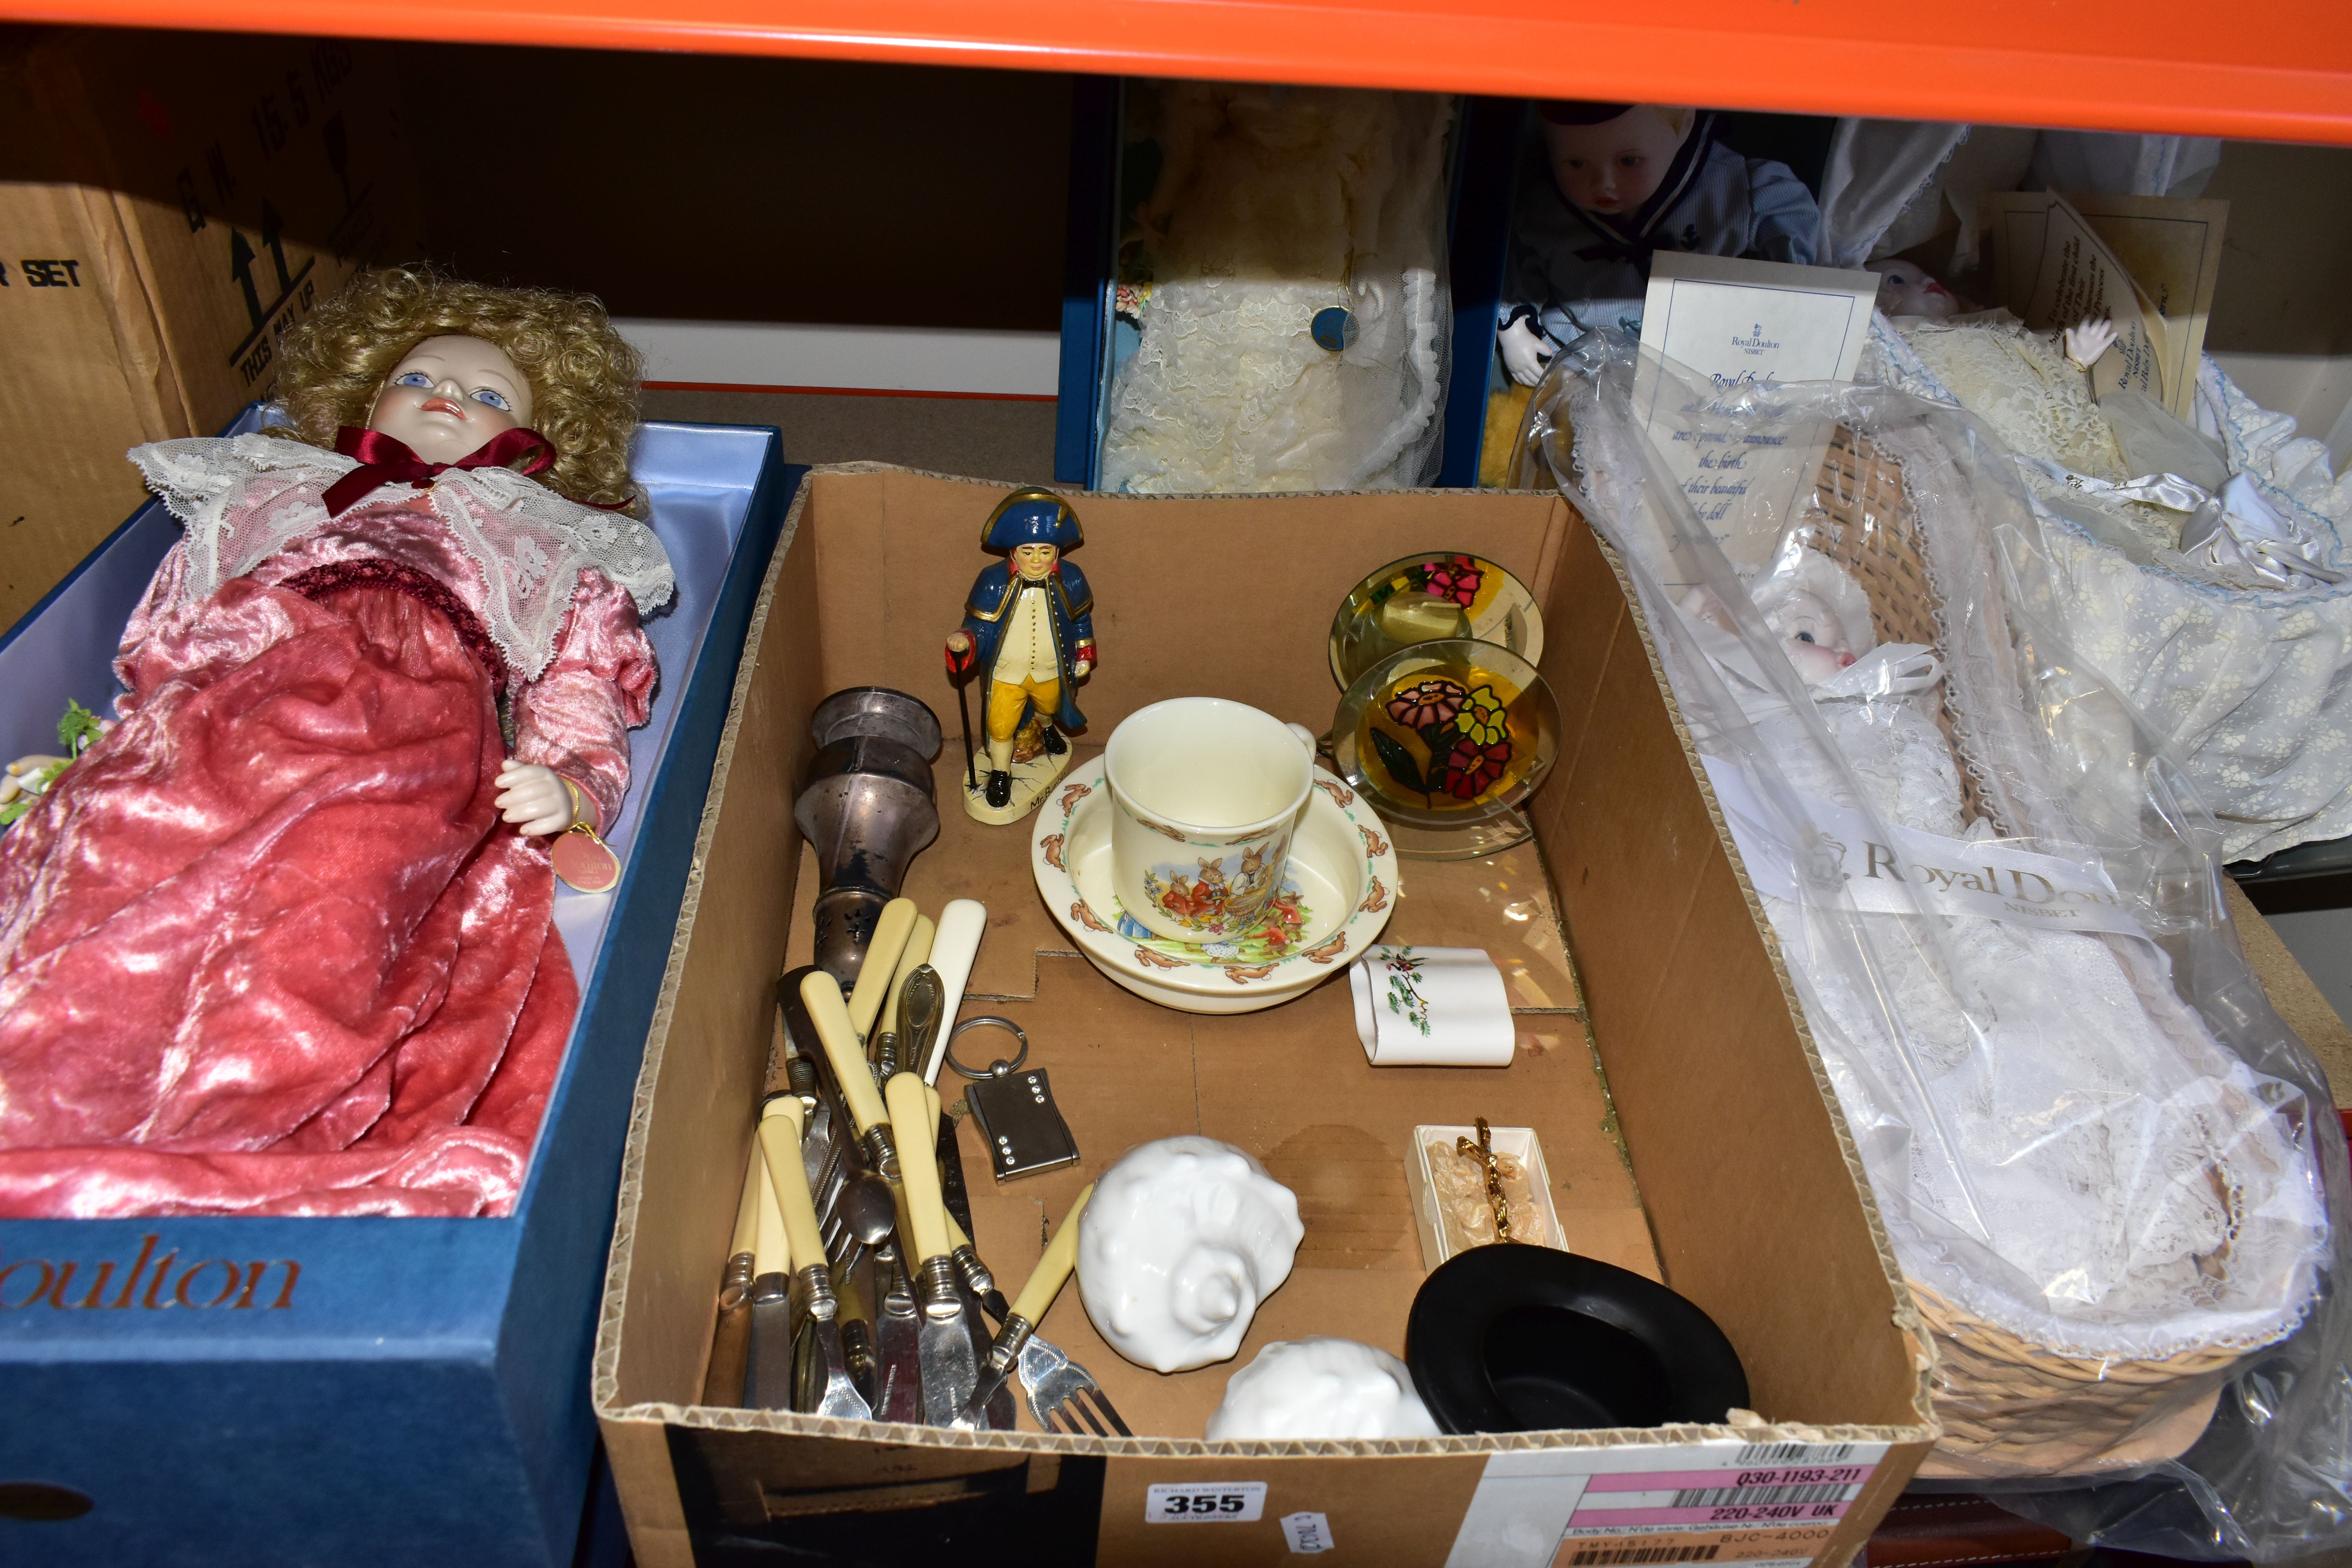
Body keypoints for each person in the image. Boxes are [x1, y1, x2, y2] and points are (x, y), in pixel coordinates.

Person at [0, 266, 672, 1217]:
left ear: (536, 446)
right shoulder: (274, 488)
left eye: (490, 396)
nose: (450, 396)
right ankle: (49, 1058)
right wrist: (144, 720)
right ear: (366, 395)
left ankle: (223, 1104)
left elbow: (582, 681)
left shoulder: (548, 543)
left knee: (337, 885)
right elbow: (173, 613)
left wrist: (570, 785)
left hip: (415, 716)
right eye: (420, 375)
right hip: (241, 685)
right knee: (128, 836)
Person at [1496, 102, 1824, 385]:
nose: (1604, 184)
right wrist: (1514, 328)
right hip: (1590, 358)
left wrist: (1785, 294)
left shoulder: (1734, 191)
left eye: (1628, 161)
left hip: (1704, 357)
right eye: (1576, 164)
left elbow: (1790, 233)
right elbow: (1517, 273)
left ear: (1684, 127)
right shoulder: (1543, 213)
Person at [944, 490, 1095, 811]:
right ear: (1014, 552)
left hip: (1050, 668)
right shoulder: (992, 581)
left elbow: (1081, 620)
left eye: (1046, 551)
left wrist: (1084, 653)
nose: (1038, 560)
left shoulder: (1072, 579)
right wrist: (965, 641)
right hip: (1007, 673)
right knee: (1000, 726)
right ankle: (1001, 773)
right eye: (1029, 552)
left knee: (1051, 704)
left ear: (1057, 551)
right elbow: (979, 626)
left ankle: (1047, 727)